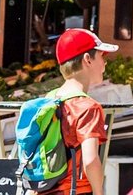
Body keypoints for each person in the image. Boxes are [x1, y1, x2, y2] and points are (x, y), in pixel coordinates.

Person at [42, 28, 117, 195]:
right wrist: (99, 192)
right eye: (102, 56)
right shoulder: (87, 107)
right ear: (87, 60)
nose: (105, 63)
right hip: (75, 190)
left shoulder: (49, 99)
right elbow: (90, 161)